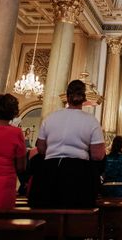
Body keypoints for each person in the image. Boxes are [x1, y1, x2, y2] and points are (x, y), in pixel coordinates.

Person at [30, 79, 106, 208]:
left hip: (49, 171)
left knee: (48, 214)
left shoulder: (50, 118)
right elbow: (98, 155)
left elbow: (41, 148)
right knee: (75, 216)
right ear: (84, 98)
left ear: (67, 96)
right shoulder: (91, 121)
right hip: (78, 173)